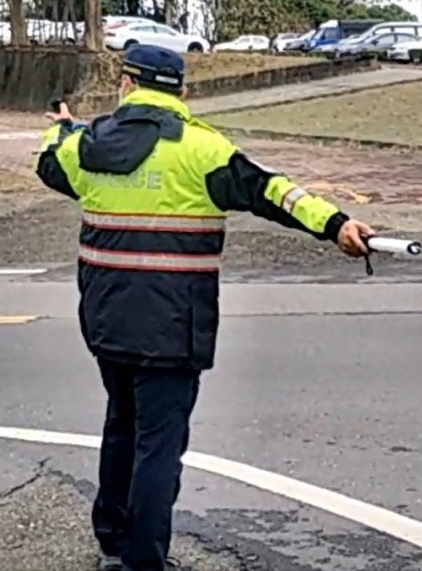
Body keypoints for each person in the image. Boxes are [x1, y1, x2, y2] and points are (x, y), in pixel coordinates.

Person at [35, 44, 374, 571]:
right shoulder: (202, 150)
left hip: (104, 317)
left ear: (127, 85)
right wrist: (336, 224)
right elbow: (273, 192)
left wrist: (61, 126)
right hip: (173, 325)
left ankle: (113, 536)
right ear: (182, 93)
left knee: (121, 422)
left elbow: (49, 164)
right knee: (158, 445)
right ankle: (143, 561)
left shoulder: (88, 145)